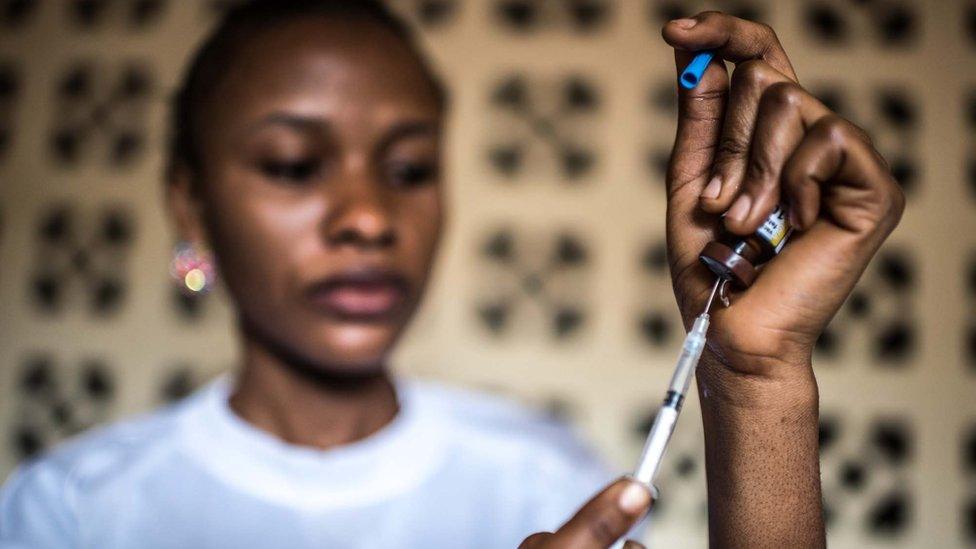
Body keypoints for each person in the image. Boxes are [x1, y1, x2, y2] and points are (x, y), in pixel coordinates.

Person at [0, 2, 903, 548]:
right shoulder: (68, 509)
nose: (368, 217)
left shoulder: (550, 481)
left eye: (408, 169)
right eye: (291, 165)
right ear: (191, 207)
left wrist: (754, 374)